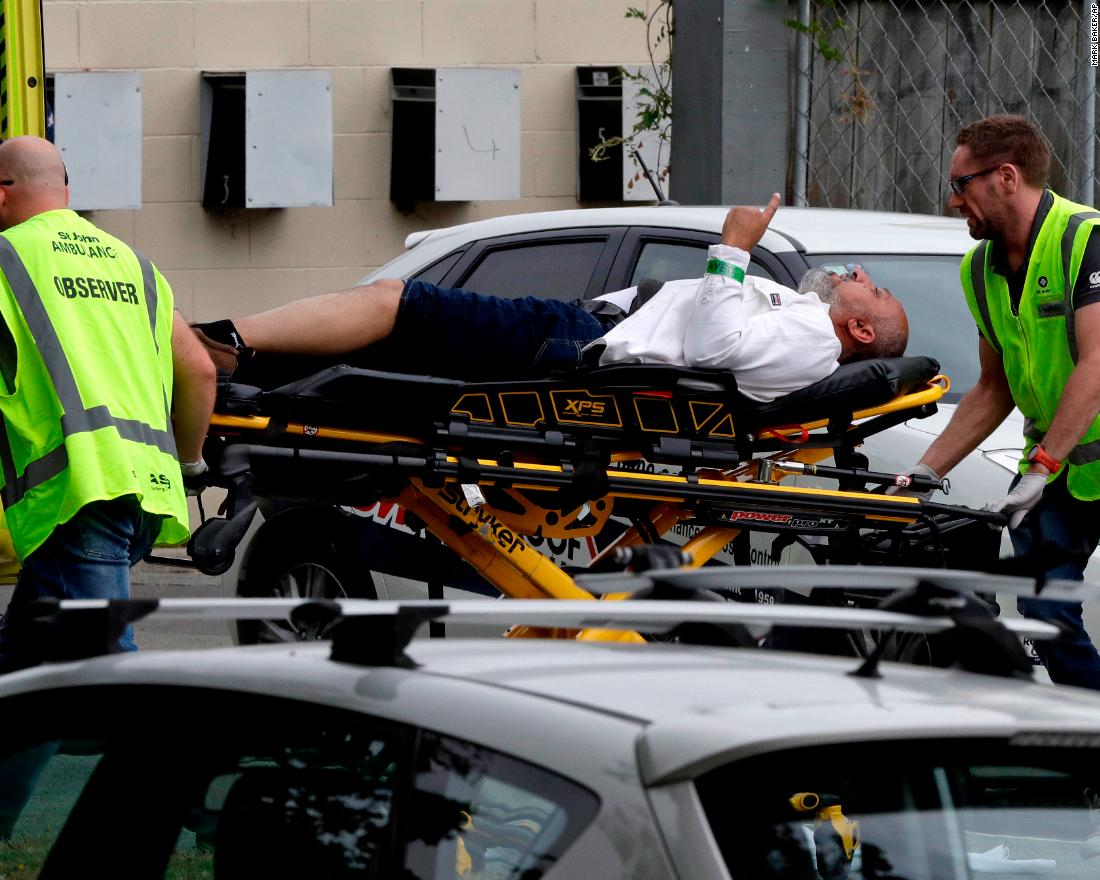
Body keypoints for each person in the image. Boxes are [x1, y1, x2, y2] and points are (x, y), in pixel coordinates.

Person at [194, 195, 908, 403]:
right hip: (586, 330)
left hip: (582, 346)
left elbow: (716, 348)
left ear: (861, 332)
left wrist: (732, 247)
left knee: (392, 302)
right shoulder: (805, 318)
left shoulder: (815, 337)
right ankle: (232, 367)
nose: (852, 272)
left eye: (865, 286)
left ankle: (220, 343)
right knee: (385, 341)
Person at [897, 114, 1100, 690]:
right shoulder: (979, 268)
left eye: (962, 184)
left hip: (1056, 464)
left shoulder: (1084, 241)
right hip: (1060, 470)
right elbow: (993, 385)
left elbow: (1097, 363)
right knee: (1042, 609)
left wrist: (1043, 465)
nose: (953, 199)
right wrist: (926, 469)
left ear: (1005, 177)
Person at [0, 136, 217, 667]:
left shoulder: (7, 257)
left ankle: (156, 754)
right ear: (65, 190)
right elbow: (201, 370)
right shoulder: (135, 264)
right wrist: (188, 464)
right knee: (23, 662)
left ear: (2, 195)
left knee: (109, 673)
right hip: (146, 492)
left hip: (76, 496)